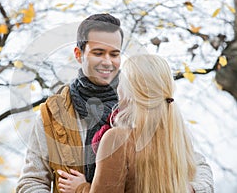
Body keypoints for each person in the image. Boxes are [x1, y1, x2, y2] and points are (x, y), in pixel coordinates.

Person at [16, 14, 214, 193]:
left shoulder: (145, 101)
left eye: (114, 54)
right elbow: (31, 182)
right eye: (98, 53)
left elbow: (199, 167)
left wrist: (187, 189)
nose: (107, 62)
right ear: (79, 54)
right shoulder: (53, 114)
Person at [56, 54, 212, 193]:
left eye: (122, 81)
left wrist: (80, 188)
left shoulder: (117, 139)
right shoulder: (178, 136)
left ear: (130, 91)